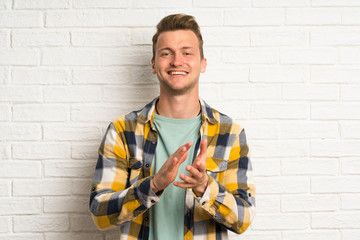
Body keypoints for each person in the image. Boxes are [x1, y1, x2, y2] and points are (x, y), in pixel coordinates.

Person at [89, 14, 255, 240]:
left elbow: (244, 218)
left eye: (187, 53)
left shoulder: (230, 134)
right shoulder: (122, 131)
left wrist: (205, 186)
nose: (177, 61)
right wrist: (153, 185)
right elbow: (100, 213)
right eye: (166, 53)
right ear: (154, 65)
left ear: (202, 64)